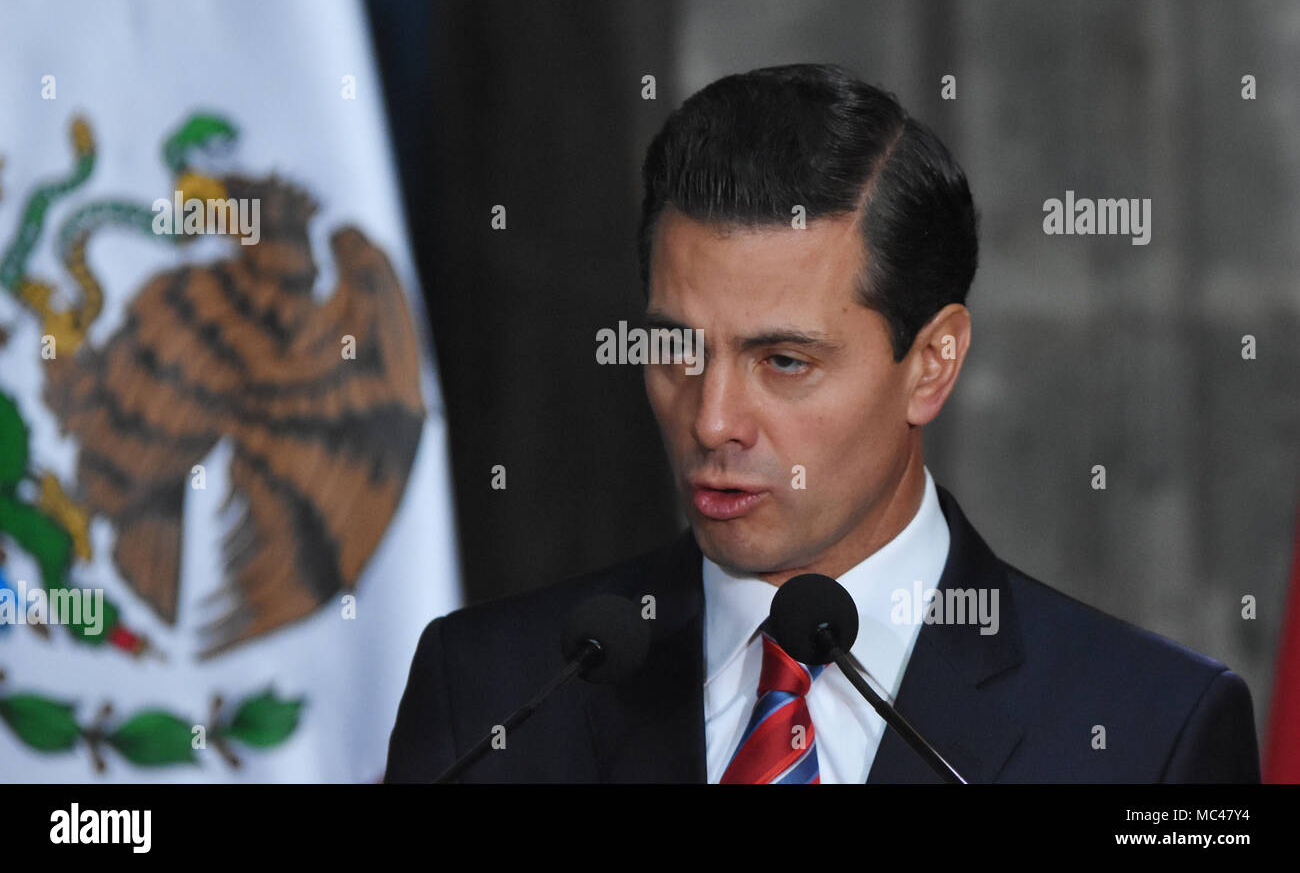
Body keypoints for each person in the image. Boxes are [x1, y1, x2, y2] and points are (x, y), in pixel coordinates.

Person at [384, 63, 1260, 783]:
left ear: (932, 364)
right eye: (678, 352)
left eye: (784, 363)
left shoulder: (1150, 733)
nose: (714, 419)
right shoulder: (493, 693)